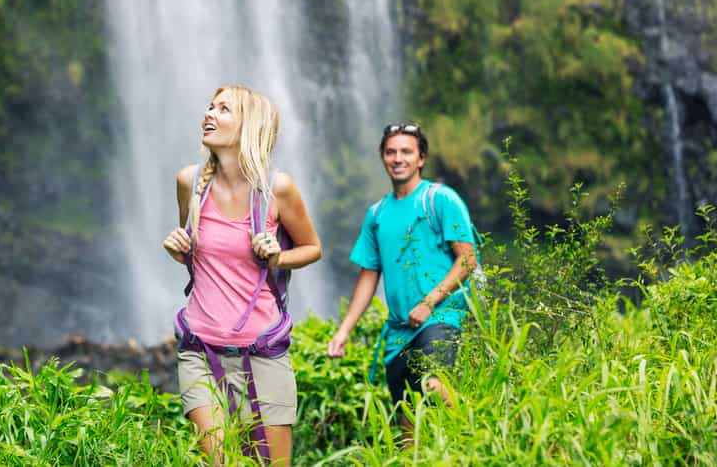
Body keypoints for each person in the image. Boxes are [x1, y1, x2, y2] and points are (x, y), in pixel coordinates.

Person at [162, 85, 322, 465]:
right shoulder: (189, 181)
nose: (209, 114)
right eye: (209, 107)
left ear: (249, 126)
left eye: (224, 109)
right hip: (199, 351)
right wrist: (178, 251)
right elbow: (195, 253)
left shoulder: (276, 190)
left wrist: (278, 257)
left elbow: (312, 248)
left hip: (262, 353)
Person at [327, 122, 483, 428]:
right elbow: (369, 276)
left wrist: (429, 302)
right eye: (391, 152)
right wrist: (344, 329)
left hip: (441, 315)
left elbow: (467, 260)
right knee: (407, 416)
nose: (398, 158)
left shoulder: (440, 199)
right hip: (399, 329)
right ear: (383, 157)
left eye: (406, 152)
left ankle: (470, 445)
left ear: (421, 158)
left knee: (434, 385)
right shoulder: (377, 214)